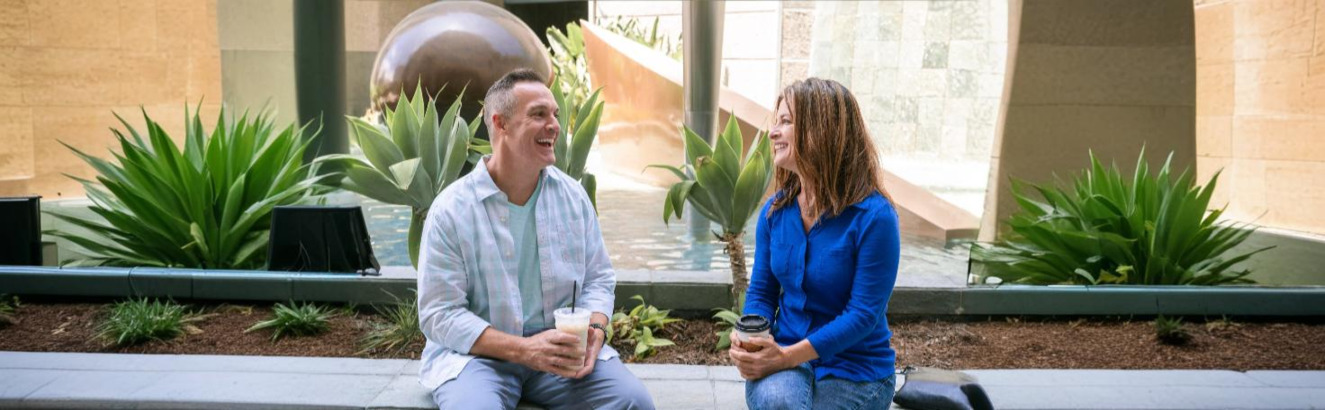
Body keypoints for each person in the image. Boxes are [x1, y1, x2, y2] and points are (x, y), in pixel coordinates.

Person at [417, 69, 654, 410]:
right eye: (539, 115)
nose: (554, 125)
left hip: (561, 355)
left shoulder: (572, 197)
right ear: (501, 124)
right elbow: (440, 313)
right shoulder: (452, 210)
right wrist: (524, 350)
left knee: (633, 403)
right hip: (478, 359)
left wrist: (596, 331)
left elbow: (598, 278)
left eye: (555, 115)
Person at [730, 77, 901, 410]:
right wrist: (751, 337)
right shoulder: (774, 213)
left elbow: (863, 315)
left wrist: (786, 357)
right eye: (775, 122)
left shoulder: (875, 218)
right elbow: (762, 293)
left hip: (857, 369)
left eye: (786, 122)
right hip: (785, 355)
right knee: (780, 403)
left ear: (822, 129)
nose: (773, 132)